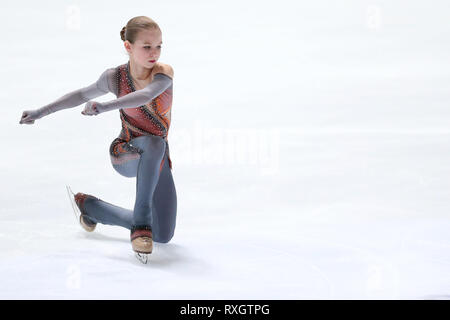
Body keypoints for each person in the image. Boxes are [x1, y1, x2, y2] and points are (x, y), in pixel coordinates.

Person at [19, 16, 177, 264]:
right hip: (126, 152)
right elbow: (81, 94)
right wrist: (40, 112)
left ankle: (91, 208)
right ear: (128, 47)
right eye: (146, 46)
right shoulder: (115, 77)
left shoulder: (163, 74)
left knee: (164, 234)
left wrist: (105, 106)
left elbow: (145, 95)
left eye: (158, 46)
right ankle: (141, 224)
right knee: (156, 145)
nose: (154, 52)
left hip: (157, 159)